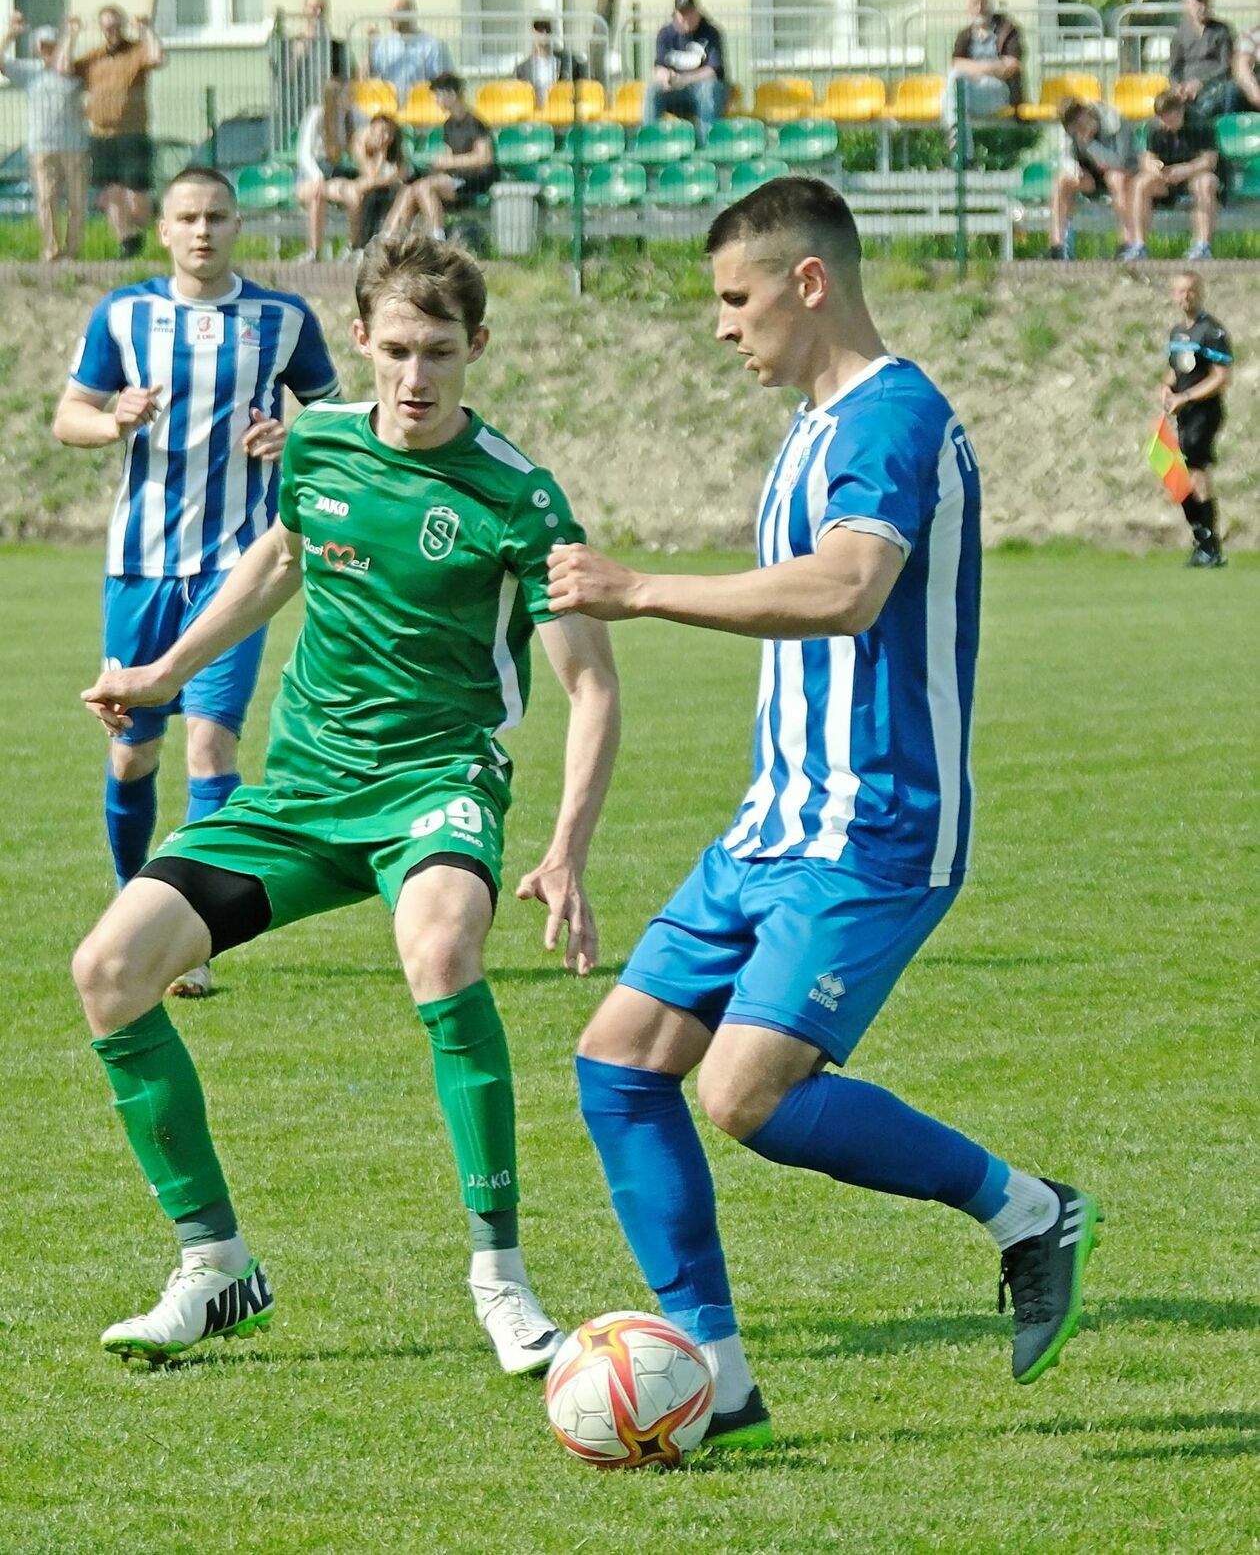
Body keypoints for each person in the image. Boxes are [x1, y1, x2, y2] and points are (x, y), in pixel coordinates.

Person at [546, 177, 1100, 1447]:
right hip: (772, 823)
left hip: (876, 822)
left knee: (743, 1090)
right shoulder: (812, 423)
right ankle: (720, 1379)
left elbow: (850, 587)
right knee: (620, 1063)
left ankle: (1028, 1211)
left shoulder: (892, 417)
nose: (721, 326)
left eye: (736, 299)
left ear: (810, 282)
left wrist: (639, 590)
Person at [74, 231, 620, 1374]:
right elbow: (281, 558)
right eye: (398, 350)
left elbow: (590, 686)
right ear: (361, 339)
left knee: (441, 945)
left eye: (441, 353)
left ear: (478, 347)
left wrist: (566, 849)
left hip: (436, 782)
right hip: (301, 791)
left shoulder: (520, 497)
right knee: (110, 970)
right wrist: (163, 675)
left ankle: (502, 1279)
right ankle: (215, 1264)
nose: (417, 378)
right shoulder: (316, 442)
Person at [52, 167, 341, 999]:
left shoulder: (283, 320)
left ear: (237, 223)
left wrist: (294, 437)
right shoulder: (126, 315)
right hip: (140, 568)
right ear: (166, 228)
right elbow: (69, 416)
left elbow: (335, 416)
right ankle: (131, 898)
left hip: (236, 568)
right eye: (188, 217)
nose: (204, 230)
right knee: (133, 753)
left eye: (217, 215)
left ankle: (192, 932)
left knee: (211, 743)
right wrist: (113, 421)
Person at [73, 6, 163, 258]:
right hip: (102, 136)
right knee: (110, 193)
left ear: (122, 26)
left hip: (132, 134)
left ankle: (147, 217)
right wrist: (71, 34)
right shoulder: (95, 57)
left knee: (137, 196)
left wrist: (147, 30)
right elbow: (62, 70)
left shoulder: (136, 51)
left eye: (115, 26)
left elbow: (157, 57)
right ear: (102, 29)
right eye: (106, 26)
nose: (111, 31)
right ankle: (126, 241)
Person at [0, 11, 88, 262]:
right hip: (41, 147)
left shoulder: (72, 71)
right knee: (46, 200)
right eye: (43, 45)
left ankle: (72, 252)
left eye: (52, 44)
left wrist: (71, 32)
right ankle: (51, 250)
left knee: (77, 201)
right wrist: (10, 32)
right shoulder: (30, 72)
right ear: (37, 49)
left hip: (74, 146)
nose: (48, 49)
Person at [1163, 270, 1231, 568]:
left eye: (1190, 290)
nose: (1185, 296)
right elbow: (1176, 372)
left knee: (1196, 469)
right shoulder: (1177, 333)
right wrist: (1166, 388)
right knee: (1176, 473)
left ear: (1200, 292)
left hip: (1204, 411)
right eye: (1179, 291)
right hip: (1184, 413)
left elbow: (1221, 377)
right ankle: (1202, 539)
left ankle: (1210, 545)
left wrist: (1187, 397)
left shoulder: (1212, 331)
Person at [387, 72, 498, 241]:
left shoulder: (474, 122)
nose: (435, 100)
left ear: (452, 95)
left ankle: (438, 239)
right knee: (409, 189)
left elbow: (484, 158)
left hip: (475, 180)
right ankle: (389, 237)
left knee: (425, 187)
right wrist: (439, 165)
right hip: (456, 177)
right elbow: (450, 155)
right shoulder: (448, 124)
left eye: (438, 95)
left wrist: (450, 161)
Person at [296, 111, 412, 261]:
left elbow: (397, 176)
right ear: (371, 129)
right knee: (358, 195)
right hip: (355, 183)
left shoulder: (396, 152)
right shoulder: (360, 143)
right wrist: (380, 161)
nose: (385, 137)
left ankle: (359, 246)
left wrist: (381, 159)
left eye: (389, 134)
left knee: (368, 193)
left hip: (385, 190)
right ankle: (353, 245)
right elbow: (370, 172)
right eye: (381, 132)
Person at [1125, 91, 1221, 262]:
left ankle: (1202, 246)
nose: (1166, 123)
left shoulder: (1201, 124)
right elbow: (1147, 159)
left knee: (1206, 183)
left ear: (1180, 111)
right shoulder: (1155, 129)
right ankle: (1138, 245)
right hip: (1167, 179)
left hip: (1195, 176)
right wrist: (1156, 169)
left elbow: (1209, 160)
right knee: (1140, 183)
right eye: (1162, 118)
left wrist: (1185, 170)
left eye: (1169, 118)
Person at [942, 0, 1024, 161]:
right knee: (955, 86)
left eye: (983, 2)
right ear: (968, 8)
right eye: (975, 3)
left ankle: (960, 155)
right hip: (970, 91)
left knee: (952, 97)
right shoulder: (965, 34)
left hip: (998, 90)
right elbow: (956, 64)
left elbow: (1013, 65)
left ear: (991, 5)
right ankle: (964, 156)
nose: (980, 7)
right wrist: (991, 66)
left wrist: (973, 68)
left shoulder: (1007, 30)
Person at [1048, 97, 1136, 258]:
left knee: (1116, 179)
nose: (1078, 129)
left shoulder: (1115, 121)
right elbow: (1065, 157)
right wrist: (1076, 171)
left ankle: (1128, 243)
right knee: (1062, 180)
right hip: (1090, 176)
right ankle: (1059, 246)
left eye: (1080, 123)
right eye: (1074, 127)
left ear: (1086, 112)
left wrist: (1089, 144)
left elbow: (1119, 161)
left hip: (1121, 173)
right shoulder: (1068, 129)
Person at [643, 0, 727, 142]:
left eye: (689, 13)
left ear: (698, 12)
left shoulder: (711, 33)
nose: (685, 18)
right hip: (675, 90)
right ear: (675, 14)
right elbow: (658, 67)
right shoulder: (665, 34)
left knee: (708, 89)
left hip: (702, 89)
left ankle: (706, 142)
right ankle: (650, 141)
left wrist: (684, 79)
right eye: (682, 14)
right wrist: (666, 77)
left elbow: (713, 71)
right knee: (652, 89)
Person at [366, 0, 452, 101]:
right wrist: (371, 47)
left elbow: (443, 81)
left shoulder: (433, 45)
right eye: (390, 13)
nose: (392, 18)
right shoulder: (383, 44)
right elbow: (370, 76)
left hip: (421, 108)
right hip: (389, 107)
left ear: (411, 13)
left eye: (397, 12)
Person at [1168, 0, 1236, 120]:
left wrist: (1200, 83)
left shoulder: (1221, 30)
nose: (1203, 7)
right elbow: (1174, 68)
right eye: (1198, 2)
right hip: (1186, 89)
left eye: (1206, 2)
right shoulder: (1180, 35)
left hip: (1214, 86)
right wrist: (1179, 87)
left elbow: (1226, 67)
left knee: (1218, 97)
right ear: (1186, 4)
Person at [512, 18, 588, 109]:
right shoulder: (522, 68)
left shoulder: (567, 61)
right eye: (539, 31)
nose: (543, 35)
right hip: (534, 111)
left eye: (546, 31)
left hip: (560, 109)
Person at [1232, 5, 1260, 112]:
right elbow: (1242, 67)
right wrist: (1254, 90)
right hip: (1256, 89)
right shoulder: (1251, 34)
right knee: (1232, 91)